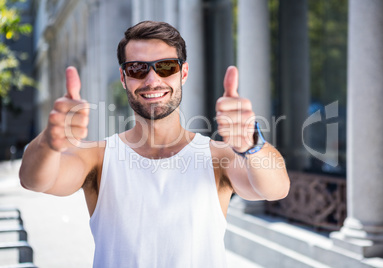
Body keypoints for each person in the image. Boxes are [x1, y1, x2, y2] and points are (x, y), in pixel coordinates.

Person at [19, 21, 290, 267]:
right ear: (124, 78)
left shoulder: (217, 156)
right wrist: (50, 142)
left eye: (166, 67)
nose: (152, 80)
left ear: (183, 73)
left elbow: (275, 188)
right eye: (137, 69)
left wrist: (251, 144)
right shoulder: (98, 157)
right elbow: (34, 180)